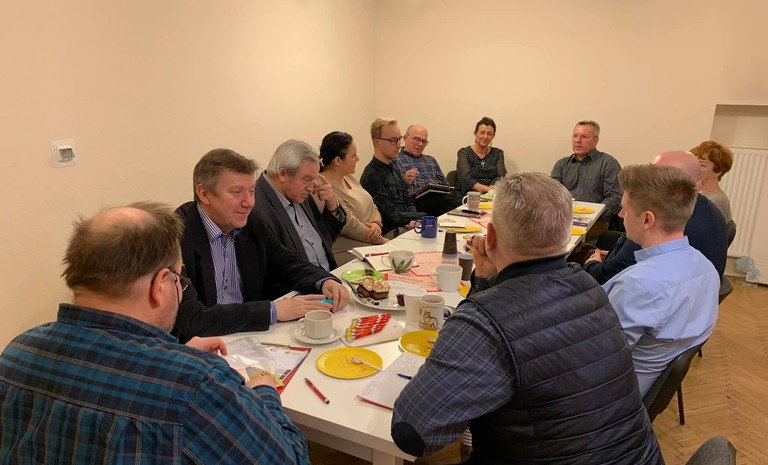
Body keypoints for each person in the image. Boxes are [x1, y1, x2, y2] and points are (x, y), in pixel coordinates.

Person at [0, 202, 310, 465]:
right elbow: (290, 460)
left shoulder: (16, 354)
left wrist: (178, 356)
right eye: (179, 278)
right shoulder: (197, 385)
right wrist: (264, 392)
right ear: (161, 284)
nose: (180, 288)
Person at [392, 172, 663, 464]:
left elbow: (413, 434)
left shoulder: (484, 321)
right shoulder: (588, 286)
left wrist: (480, 297)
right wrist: (485, 282)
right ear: (566, 237)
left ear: (490, 237)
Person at [175, 148, 349, 341]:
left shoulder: (251, 222)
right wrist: (272, 311)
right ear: (204, 194)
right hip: (203, 345)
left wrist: (324, 280)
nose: (249, 203)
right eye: (237, 192)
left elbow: (286, 263)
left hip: (250, 336)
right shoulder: (175, 237)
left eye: (251, 191)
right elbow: (193, 319)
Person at [603, 164, 719, 396]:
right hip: (645, 386)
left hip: (614, 395)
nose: (621, 215)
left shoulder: (638, 285)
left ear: (647, 219)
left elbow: (598, 358)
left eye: (625, 209)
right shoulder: (706, 267)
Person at [583, 151, 727, 284]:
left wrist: (592, 263)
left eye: (653, 176)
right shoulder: (707, 208)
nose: (645, 178)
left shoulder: (661, 221)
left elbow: (605, 276)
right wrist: (616, 256)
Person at [254, 139, 346, 272]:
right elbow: (276, 269)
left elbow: (325, 238)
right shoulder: (257, 208)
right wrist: (320, 280)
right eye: (307, 179)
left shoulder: (298, 192)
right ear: (283, 174)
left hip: (328, 275)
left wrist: (332, 205)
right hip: (303, 282)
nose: (311, 187)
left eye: (314, 179)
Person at [319, 131, 388, 265]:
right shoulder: (325, 186)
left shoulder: (348, 177)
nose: (358, 159)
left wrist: (376, 223)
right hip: (351, 251)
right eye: (353, 155)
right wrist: (383, 241)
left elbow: (372, 205)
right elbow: (349, 225)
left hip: (373, 241)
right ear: (338, 161)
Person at [551, 120, 622, 240]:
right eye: (575, 136)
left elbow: (616, 196)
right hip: (564, 219)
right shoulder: (562, 164)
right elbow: (552, 194)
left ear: (596, 140)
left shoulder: (608, 163)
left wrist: (596, 216)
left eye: (584, 137)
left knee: (566, 240)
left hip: (596, 221)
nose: (578, 141)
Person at [360, 117, 425, 235]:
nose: (399, 145)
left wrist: (414, 219)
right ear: (376, 142)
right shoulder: (371, 175)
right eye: (393, 140)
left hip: (407, 226)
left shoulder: (394, 167)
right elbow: (391, 216)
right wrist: (419, 216)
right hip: (390, 232)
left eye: (399, 139)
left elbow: (407, 199)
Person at [393, 124, 460, 216]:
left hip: (439, 200)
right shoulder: (395, 160)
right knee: (451, 204)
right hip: (414, 203)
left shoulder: (431, 160)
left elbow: (446, 186)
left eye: (424, 141)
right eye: (416, 139)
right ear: (405, 138)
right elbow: (393, 193)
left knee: (455, 200)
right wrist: (404, 181)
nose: (420, 144)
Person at [456, 116, 507, 194]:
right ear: (475, 133)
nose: (485, 137)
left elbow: (501, 177)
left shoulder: (498, 153)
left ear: (493, 136)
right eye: (482, 133)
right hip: (470, 195)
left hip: (493, 195)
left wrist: (492, 190)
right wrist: (489, 190)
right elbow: (465, 180)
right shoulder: (464, 153)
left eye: (489, 134)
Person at [691, 140, 734, 223]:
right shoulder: (693, 193)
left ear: (718, 171)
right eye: (693, 163)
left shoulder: (717, 201)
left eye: (701, 165)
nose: (694, 168)